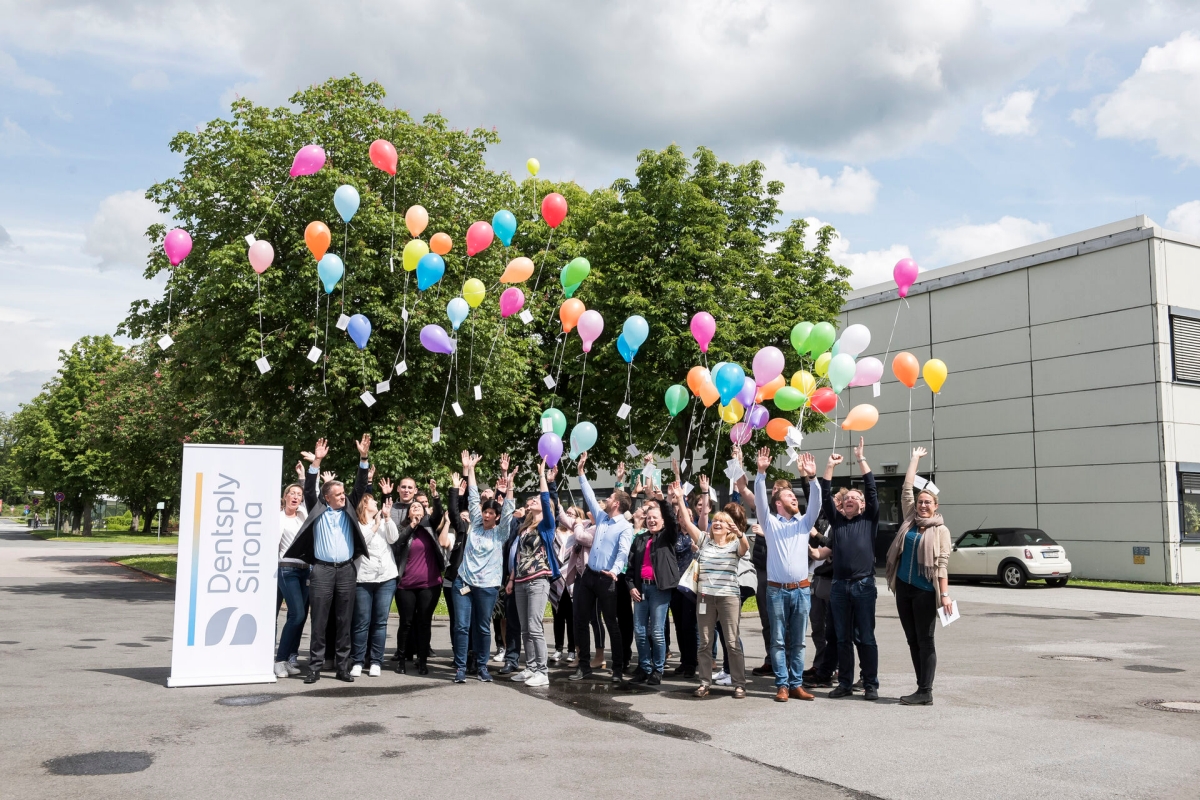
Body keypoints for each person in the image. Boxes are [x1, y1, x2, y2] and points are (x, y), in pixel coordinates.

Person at [284, 434, 374, 684]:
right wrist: (317, 464)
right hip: (322, 571)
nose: (344, 496)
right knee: (319, 620)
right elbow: (309, 490)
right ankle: (314, 667)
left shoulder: (348, 508)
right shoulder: (318, 508)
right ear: (327, 497)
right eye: (338, 493)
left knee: (344, 620)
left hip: (346, 571)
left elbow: (360, 485)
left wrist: (363, 457)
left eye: (344, 493)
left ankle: (343, 668)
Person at [738, 447, 821, 703]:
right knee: (777, 640)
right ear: (778, 503)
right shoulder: (770, 523)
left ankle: (796, 684)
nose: (794, 498)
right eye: (789, 495)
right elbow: (760, 502)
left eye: (795, 495)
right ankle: (782, 684)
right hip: (776, 590)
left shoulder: (804, 523)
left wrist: (813, 478)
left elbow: (817, 502)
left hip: (802, 589)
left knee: (798, 641)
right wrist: (760, 473)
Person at [885, 446, 953, 706]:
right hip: (904, 588)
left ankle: (926, 691)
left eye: (928, 503)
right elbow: (906, 488)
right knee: (912, 639)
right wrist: (914, 460)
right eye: (920, 502)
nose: (923, 505)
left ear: (936, 507)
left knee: (925, 640)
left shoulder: (941, 531)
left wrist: (944, 595)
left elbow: (942, 565)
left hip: (925, 591)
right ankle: (920, 687)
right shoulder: (909, 520)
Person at [814, 437, 880, 701]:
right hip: (839, 586)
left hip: (864, 585)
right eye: (848, 498)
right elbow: (825, 493)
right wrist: (829, 466)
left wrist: (861, 458)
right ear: (842, 505)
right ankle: (844, 683)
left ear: (863, 506)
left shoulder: (869, 520)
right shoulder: (837, 522)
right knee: (841, 638)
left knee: (865, 637)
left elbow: (872, 489)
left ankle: (871, 683)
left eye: (856, 497)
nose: (851, 499)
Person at [675, 486, 749, 698]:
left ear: (729, 528)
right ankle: (704, 682)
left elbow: (744, 548)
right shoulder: (704, 541)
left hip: (728, 598)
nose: (716, 523)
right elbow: (688, 524)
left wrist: (740, 533)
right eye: (715, 520)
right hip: (705, 597)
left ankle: (739, 684)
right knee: (705, 642)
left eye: (722, 522)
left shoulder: (735, 543)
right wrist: (681, 499)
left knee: (732, 641)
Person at [451, 450, 516, 683]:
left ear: (496, 517)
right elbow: (472, 496)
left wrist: (508, 482)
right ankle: (460, 668)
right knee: (461, 626)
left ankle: (482, 667)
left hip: (487, 586)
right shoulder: (475, 526)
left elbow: (508, 512)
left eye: (491, 512)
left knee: (482, 628)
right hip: (464, 582)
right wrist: (470, 470)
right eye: (485, 511)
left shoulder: (500, 533)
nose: (487, 515)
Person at [570, 451, 634, 683]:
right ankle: (584, 666)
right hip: (588, 575)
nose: (605, 500)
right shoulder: (602, 517)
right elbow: (588, 495)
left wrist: (615, 571)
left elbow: (623, 553)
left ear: (616, 503)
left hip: (608, 578)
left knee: (611, 622)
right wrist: (581, 472)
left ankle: (617, 669)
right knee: (580, 620)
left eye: (609, 498)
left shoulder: (625, 527)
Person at [503, 458, 558, 687]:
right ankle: (531, 667)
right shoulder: (524, 528)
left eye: (535, 498)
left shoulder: (546, 526)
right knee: (525, 628)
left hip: (538, 581)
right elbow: (518, 555)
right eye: (532, 499)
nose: (533, 499)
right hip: (520, 582)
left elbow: (546, 500)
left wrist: (542, 476)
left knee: (535, 627)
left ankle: (543, 672)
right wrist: (512, 578)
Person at [391, 480, 450, 675]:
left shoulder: (430, 525)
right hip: (406, 585)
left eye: (420, 506)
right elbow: (397, 543)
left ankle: (422, 661)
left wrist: (435, 495)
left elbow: (439, 514)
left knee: (424, 623)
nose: (416, 507)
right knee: (406, 623)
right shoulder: (403, 528)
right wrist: (411, 525)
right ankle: (401, 660)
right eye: (413, 506)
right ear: (408, 513)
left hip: (429, 584)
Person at [626, 491, 681, 685]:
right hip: (641, 590)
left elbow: (673, 520)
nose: (651, 521)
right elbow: (630, 568)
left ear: (662, 521)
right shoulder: (640, 539)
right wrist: (631, 586)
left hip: (659, 590)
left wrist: (661, 501)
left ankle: (658, 669)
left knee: (657, 632)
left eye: (655, 518)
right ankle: (644, 667)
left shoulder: (668, 536)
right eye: (648, 518)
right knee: (640, 631)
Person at [350, 488, 400, 678]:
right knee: (362, 622)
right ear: (364, 504)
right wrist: (375, 525)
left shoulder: (383, 521)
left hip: (386, 578)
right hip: (363, 578)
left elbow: (393, 538)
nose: (376, 504)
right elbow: (360, 544)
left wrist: (387, 519)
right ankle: (357, 660)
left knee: (380, 622)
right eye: (372, 501)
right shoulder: (357, 524)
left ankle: (376, 661)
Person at [274, 467, 310, 678]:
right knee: (296, 614)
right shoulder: (278, 518)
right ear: (285, 497)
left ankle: (287, 658)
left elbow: (310, 496)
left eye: (299, 494)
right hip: (286, 568)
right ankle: (279, 660)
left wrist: (303, 477)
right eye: (292, 493)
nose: (296, 497)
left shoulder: (303, 516)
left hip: (305, 570)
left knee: (299, 615)